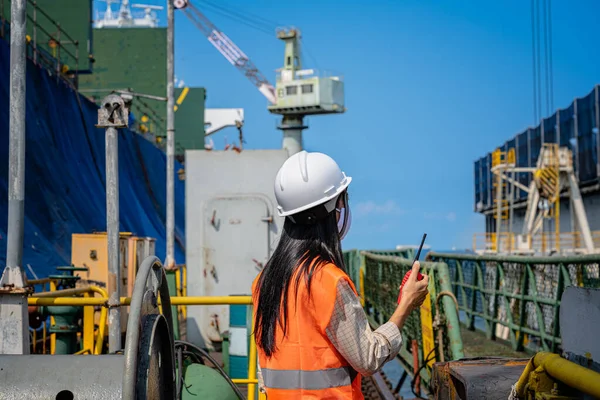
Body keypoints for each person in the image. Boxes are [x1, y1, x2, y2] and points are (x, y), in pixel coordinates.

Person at [251, 151, 430, 399]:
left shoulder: (264, 282)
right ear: (334, 209)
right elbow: (368, 358)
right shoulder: (327, 280)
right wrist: (406, 304)